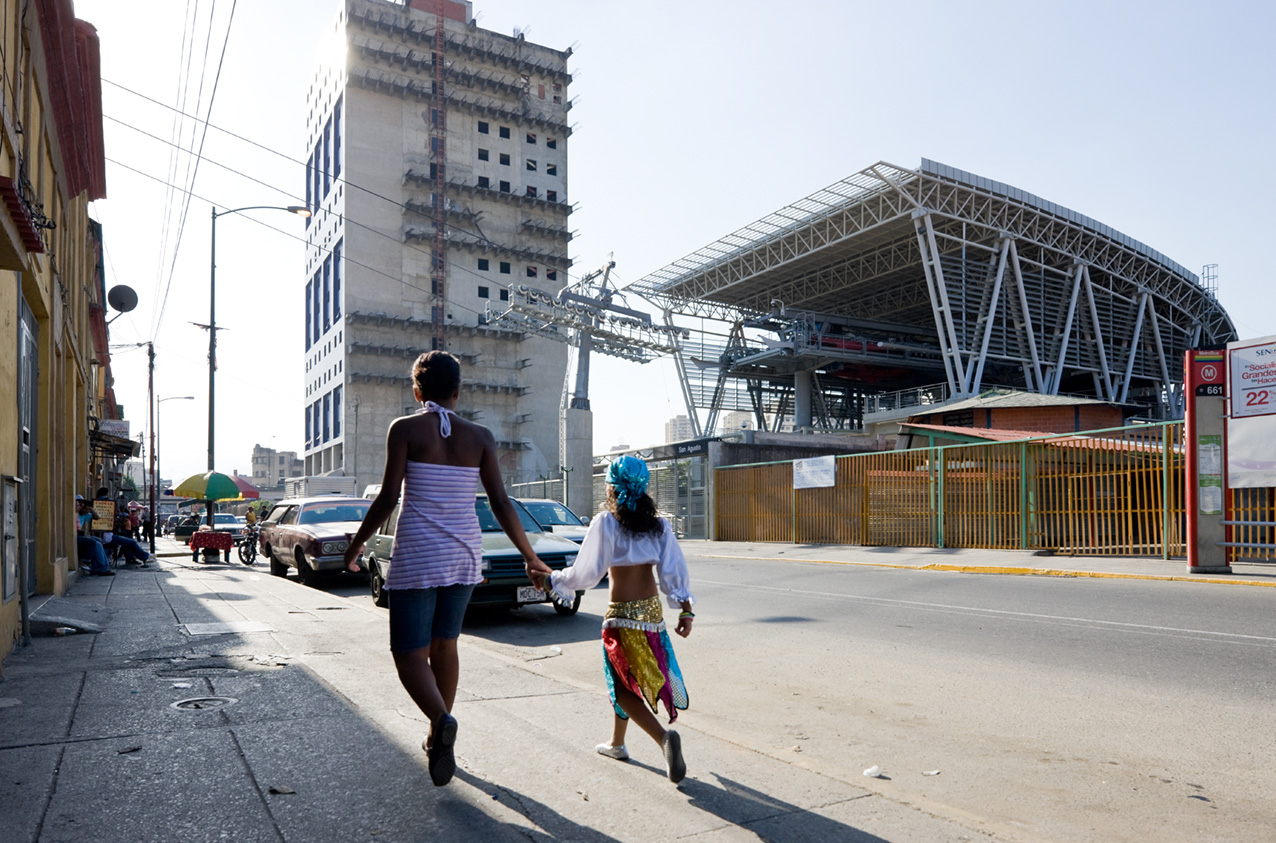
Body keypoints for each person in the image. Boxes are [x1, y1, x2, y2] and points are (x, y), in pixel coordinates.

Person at [343, 350, 553, 787]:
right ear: (458, 392)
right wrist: (530, 555)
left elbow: (387, 498)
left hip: (419, 554)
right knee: (445, 646)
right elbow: (501, 502)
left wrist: (358, 543)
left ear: (417, 391)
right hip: (464, 555)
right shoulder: (481, 437)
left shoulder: (404, 429)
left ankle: (441, 720)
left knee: (408, 653)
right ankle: (438, 733)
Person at [536, 455, 695, 783]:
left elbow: (586, 573)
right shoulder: (659, 526)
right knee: (624, 678)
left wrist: (552, 579)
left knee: (621, 687)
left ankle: (663, 738)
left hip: (621, 618)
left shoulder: (606, 523)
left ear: (612, 487)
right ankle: (617, 743)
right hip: (652, 616)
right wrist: (685, 609)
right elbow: (673, 571)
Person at [93, 488, 154, 566]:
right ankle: (144, 556)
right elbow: (117, 516)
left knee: (127, 542)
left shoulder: (96, 503)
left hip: (104, 534)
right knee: (131, 542)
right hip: (108, 536)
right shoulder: (109, 503)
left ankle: (134, 557)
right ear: (106, 493)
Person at [74, 495, 115, 576]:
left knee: (99, 540)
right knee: (96, 544)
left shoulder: (84, 515)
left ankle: (96, 567)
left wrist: (91, 509)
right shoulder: (75, 514)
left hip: (80, 535)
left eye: (88, 509)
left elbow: (97, 517)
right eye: (84, 508)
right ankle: (103, 568)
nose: (86, 511)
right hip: (75, 536)